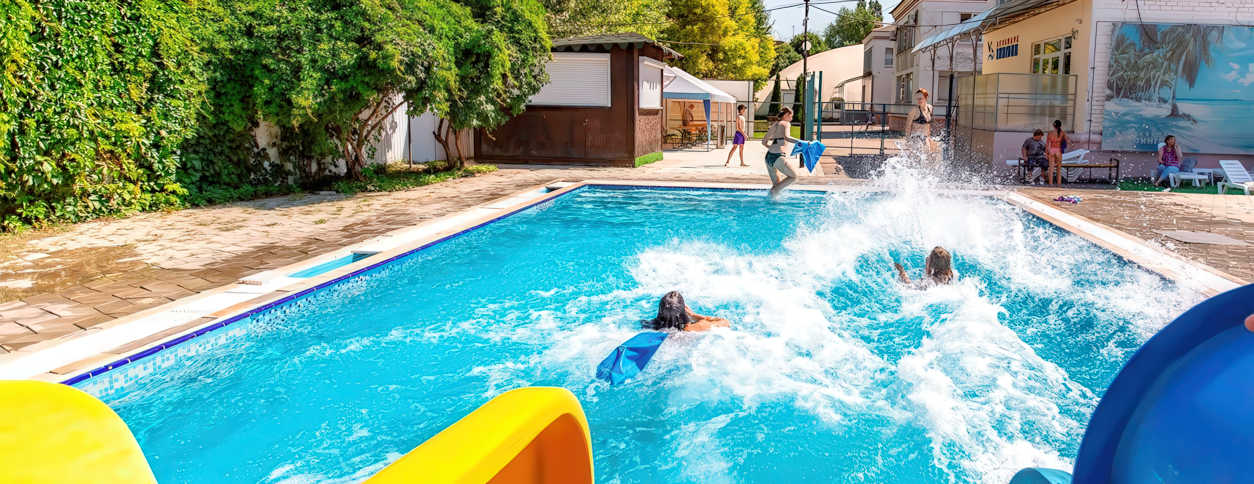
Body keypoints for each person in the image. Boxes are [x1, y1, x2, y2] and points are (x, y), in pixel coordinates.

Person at [761, 107, 802, 195]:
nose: (792, 118)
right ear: (787, 114)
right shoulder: (786, 124)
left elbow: (763, 142)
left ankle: (771, 204)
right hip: (778, 156)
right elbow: (787, 137)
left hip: (768, 156)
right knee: (793, 176)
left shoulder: (774, 124)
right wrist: (802, 142)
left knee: (776, 184)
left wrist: (772, 149)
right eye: (791, 116)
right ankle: (774, 192)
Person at [641, 291, 729, 332]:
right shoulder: (691, 329)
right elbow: (725, 322)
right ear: (683, 312)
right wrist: (693, 314)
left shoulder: (649, 327)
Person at [904, 89, 936, 154]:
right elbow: (908, 126)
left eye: (920, 98)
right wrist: (908, 141)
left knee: (930, 152)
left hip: (924, 136)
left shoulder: (930, 108)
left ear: (926, 98)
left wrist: (929, 136)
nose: (918, 100)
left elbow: (928, 124)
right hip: (915, 137)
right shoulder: (914, 111)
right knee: (919, 155)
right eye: (917, 99)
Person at [1045, 119, 1071, 186]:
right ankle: (1059, 185)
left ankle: (1050, 184)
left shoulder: (1050, 133)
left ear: (1054, 125)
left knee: (1051, 169)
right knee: (1059, 170)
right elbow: (1068, 141)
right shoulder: (1062, 133)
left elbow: (1047, 144)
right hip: (1058, 151)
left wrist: (1046, 153)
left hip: (1051, 151)